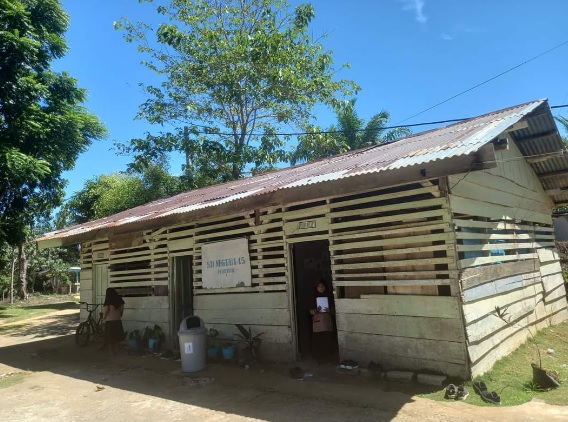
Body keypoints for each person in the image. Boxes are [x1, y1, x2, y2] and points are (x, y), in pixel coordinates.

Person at [310, 280, 335, 362]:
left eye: (323, 286)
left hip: (327, 322)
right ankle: (319, 359)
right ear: (316, 288)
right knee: (319, 341)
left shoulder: (330, 297)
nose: (321, 288)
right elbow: (310, 311)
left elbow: (334, 311)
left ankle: (327, 358)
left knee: (327, 341)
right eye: (319, 286)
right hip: (318, 324)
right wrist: (316, 310)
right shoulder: (313, 298)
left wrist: (330, 310)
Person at [103, 287, 125, 355]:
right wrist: (118, 315)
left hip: (109, 321)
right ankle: (116, 351)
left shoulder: (108, 301)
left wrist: (103, 318)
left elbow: (106, 311)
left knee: (110, 338)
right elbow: (121, 312)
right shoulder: (120, 301)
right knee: (116, 337)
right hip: (117, 320)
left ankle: (111, 351)